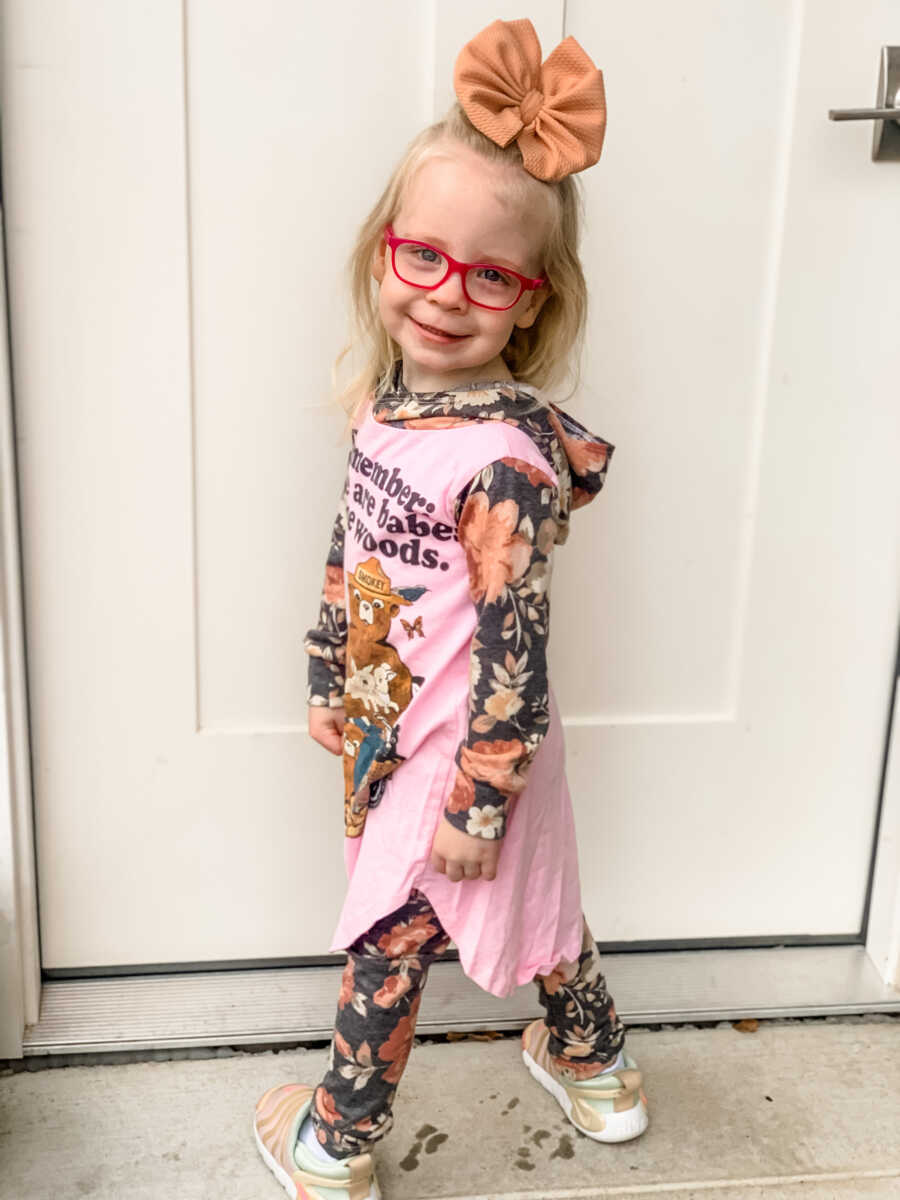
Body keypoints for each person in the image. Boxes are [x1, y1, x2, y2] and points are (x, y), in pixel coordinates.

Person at [253, 17, 648, 1199]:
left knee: (389, 935)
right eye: (422, 255)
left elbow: (516, 663)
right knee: (545, 907)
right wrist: (332, 674)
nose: (444, 295)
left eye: (489, 274)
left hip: (465, 755)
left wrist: (477, 800)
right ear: (384, 250)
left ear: (531, 300)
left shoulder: (502, 464)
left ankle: (333, 1140)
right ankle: (598, 1066)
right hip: (397, 726)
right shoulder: (394, 403)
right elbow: (357, 552)